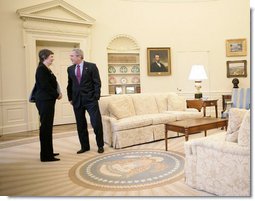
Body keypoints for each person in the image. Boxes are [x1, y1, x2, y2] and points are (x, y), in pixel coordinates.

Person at [67, 48, 104, 154]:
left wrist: (96, 97)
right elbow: (70, 84)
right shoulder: (70, 69)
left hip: (90, 100)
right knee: (80, 124)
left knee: (96, 123)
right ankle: (84, 146)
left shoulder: (91, 66)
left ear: (79, 56)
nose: (71, 58)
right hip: (77, 100)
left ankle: (100, 145)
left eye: (72, 56)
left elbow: (97, 82)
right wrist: (70, 98)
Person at [35, 49, 62, 162]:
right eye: (51, 56)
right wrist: (57, 94)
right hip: (44, 101)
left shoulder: (45, 69)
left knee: (48, 127)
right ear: (44, 57)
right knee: (46, 128)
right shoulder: (41, 69)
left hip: (47, 101)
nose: (53, 58)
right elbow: (45, 86)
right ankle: (46, 156)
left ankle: (48, 152)